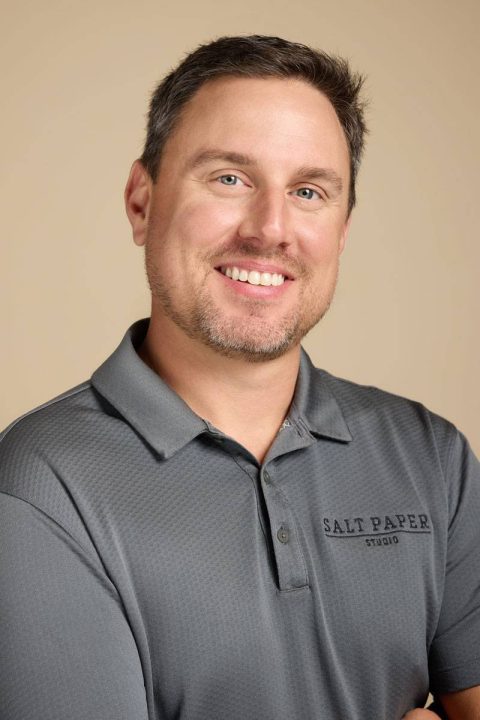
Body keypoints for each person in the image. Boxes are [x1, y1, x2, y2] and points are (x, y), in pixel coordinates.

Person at [1, 35, 478, 720]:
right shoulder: (37, 490)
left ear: (342, 229)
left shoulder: (433, 458)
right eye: (230, 178)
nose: (270, 229)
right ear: (142, 201)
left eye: (309, 191)